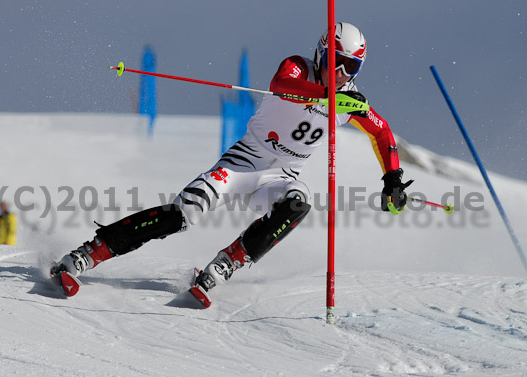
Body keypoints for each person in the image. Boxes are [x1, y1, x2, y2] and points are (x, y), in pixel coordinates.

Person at [51, 22, 412, 303]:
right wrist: (328, 96)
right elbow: (282, 83)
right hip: (243, 162)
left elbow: (382, 132)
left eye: (352, 68)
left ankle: (226, 263)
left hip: (282, 176)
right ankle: (88, 254)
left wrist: (392, 179)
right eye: (337, 62)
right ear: (321, 54)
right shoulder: (298, 69)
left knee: (298, 204)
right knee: (182, 214)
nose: (342, 74)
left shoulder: (348, 100)